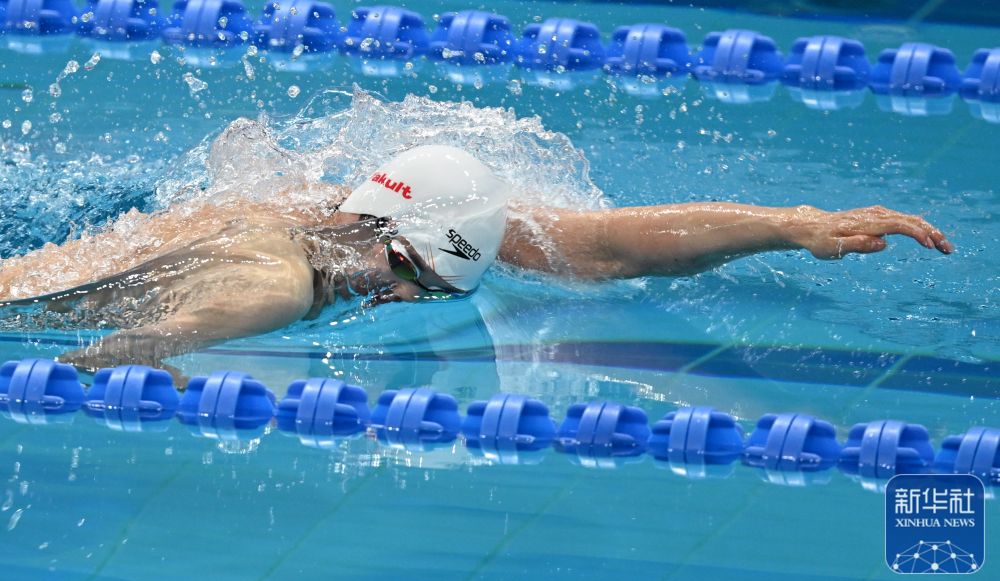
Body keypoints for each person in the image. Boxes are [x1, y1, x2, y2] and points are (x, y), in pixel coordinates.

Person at [0, 145, 953, 383]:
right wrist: (141, 371)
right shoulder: (277, 284)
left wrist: (794, 223)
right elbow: (102, 356)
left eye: (431, 290)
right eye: (408, 277)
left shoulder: (326, 205)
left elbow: (604, 245)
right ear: (383, 231)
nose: (401, 300)